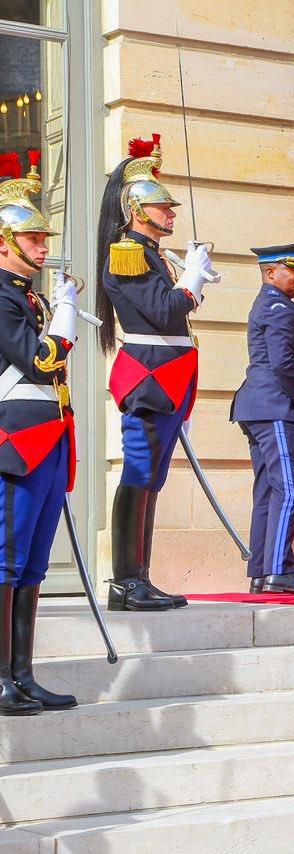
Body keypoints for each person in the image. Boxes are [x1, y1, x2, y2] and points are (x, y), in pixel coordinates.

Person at [95, 134, 217, 612]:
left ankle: (139, 576)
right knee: (139, 474)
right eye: (162, 207)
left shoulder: (152, 255)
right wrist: (192, 281)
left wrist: (189, 280)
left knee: (153, 479)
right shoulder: (127, 252)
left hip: (168, 378)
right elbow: (165, 311)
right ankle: (125, 581)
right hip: (150, 379)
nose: (170, 214)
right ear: (136, 210)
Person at [0, 154, 79, 714]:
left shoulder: (30, 295)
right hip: (16, 442)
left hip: (48, 438)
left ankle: (22, 675)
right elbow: (37, 359)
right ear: (4, 242)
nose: (43, 247)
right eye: (32, 239)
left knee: (32, 563)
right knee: (6, 559)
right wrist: (65, 321)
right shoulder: (2, 296)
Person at [232, 242, 294, 595]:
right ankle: (277, 571)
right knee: (287, 491)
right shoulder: (278, 308)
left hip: (264, 407)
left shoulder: (277, 305)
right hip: (277, 408)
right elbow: (283, 364)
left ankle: (262, 571)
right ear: (271, 272)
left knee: (269, 491)